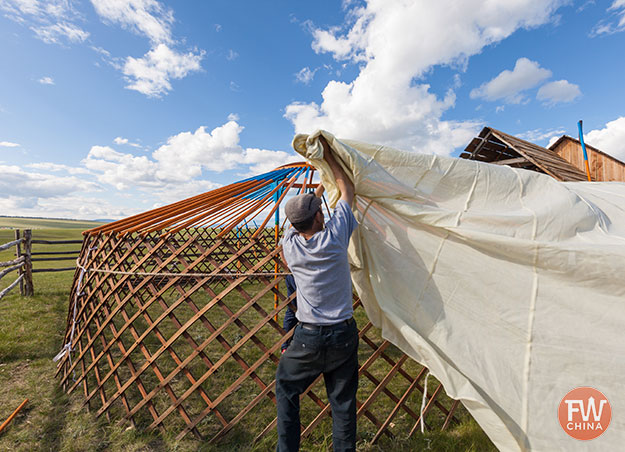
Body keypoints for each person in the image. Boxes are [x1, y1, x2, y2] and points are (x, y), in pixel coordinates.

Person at [276, 135, 358, 452]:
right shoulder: (336, 238)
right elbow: (347, 190)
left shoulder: (290, 247)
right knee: (342, 404)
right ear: (320, 216)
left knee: (286, 388)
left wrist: (314, 190)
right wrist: (328, 162)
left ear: (294, 224)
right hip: (343, 335)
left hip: (307, 337)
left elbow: (296, 219)